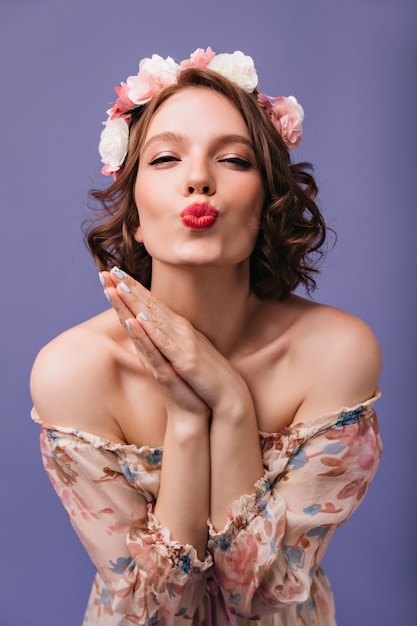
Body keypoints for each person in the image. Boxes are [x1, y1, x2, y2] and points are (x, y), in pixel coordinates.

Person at [30, 48, 382, 626]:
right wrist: (190, 419)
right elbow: (157, 615)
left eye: (235, 161)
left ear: (267, 203)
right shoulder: (75, 371)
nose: (199, 179)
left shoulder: (336, 354)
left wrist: (231, 401)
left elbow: (265, 603)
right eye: (166, 158)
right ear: (136, 215)